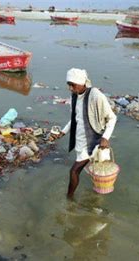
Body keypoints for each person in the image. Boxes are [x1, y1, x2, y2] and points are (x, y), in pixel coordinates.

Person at [51, 68, 117, 199]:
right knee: (92, 170)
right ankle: (96, 198)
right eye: (68, 84)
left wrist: (105, 137)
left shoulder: (96, 95)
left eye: (72, 84)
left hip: (92, 140)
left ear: (82, 82)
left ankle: (69, 199)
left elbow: (112, 118)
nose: (70, 88)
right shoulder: (75, 96)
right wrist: (63, 132)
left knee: (74, 171)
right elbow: (76, 118)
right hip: (81, 140)